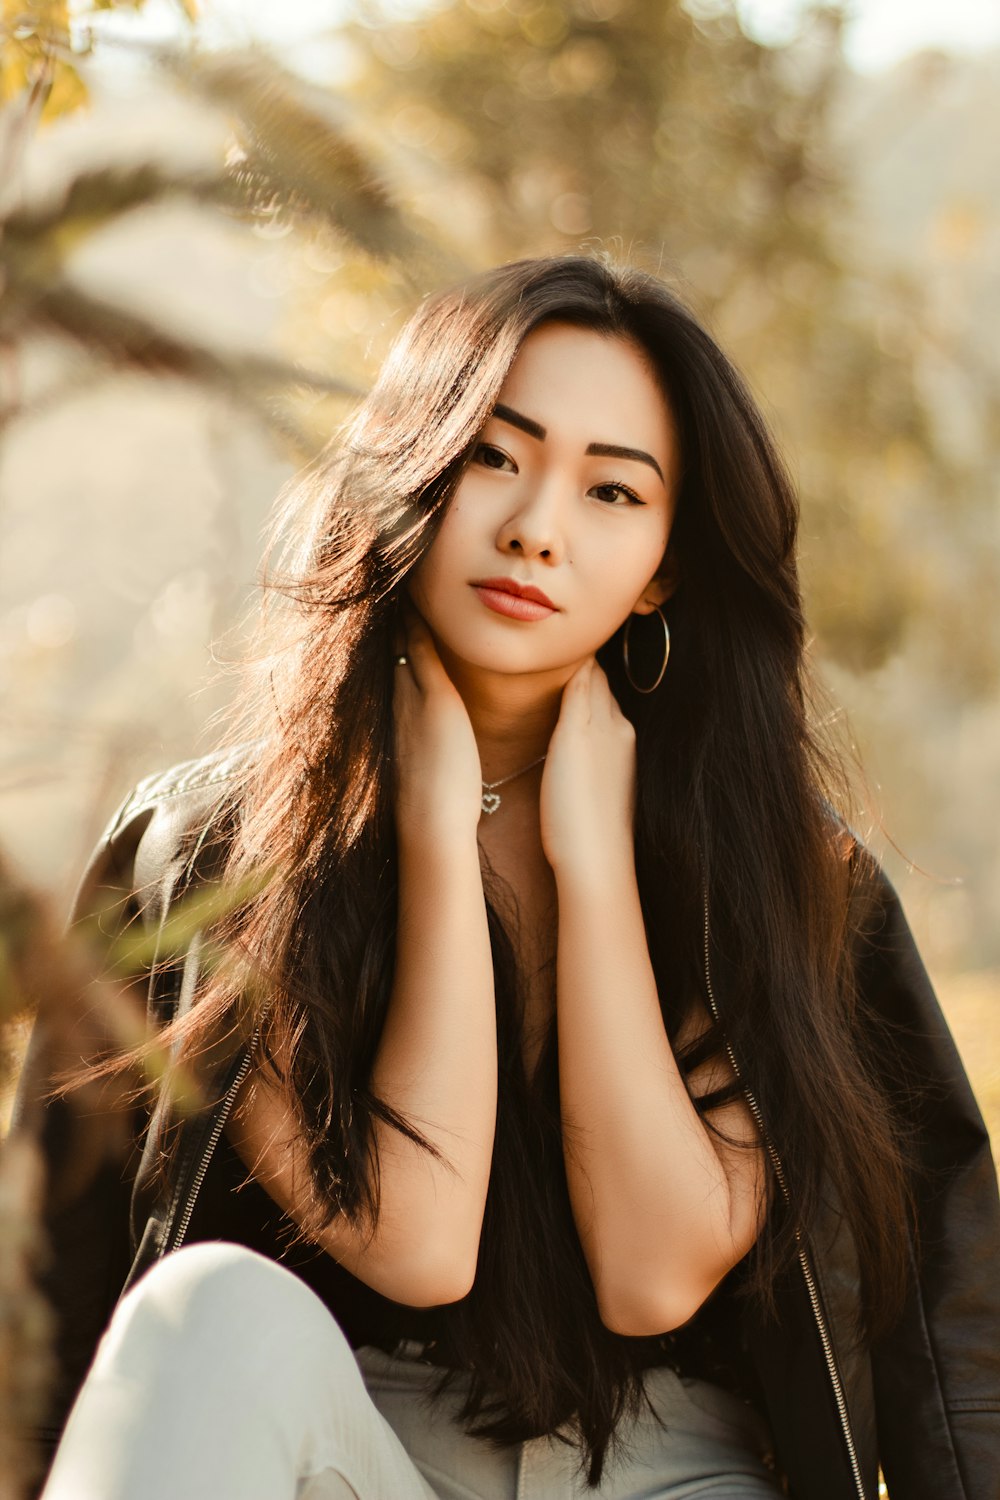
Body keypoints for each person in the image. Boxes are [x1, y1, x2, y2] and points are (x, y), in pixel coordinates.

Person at [15, 255, 998, 1500]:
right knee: (210, 1311)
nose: (537, 524)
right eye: (494, 453)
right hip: (347, 1447)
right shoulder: (220, 852)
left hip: (679, 1469)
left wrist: (590, 867)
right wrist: (429, 824)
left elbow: (658, 1270)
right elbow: (411, 1241)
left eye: (611, 491)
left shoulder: (783, 869)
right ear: (411, 469)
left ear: (663, 568)